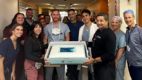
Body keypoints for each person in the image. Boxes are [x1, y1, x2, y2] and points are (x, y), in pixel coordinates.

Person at [84, 13, 116, 80]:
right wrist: (85, 43)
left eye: (101, 21)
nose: (98, 23)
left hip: (106, 67)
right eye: (97, 20)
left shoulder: (109, 34)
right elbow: (95, 43)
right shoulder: (98, 30)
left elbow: (110, 55)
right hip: (98, 65)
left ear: (106, 21)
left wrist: (94, 60)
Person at [43, 9, 70, 80]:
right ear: (51, 15)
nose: (55, 16)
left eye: (57, 14)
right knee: (48, 74)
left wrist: (66, 50)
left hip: (61, 52)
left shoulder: (65, 26)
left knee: (61, 73)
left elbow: (67, 38)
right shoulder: (47, 27)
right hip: (50, 52)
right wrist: (46, 51)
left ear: (59, 16)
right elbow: (45, 39)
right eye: (54, 14)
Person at [3, 13, 27, 80]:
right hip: (9, 56)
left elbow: (23, 41)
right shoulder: (8, 29)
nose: (21, 19)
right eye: (19, 17)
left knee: (19, 72)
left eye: (22, 18)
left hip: (20, 53)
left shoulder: (24, 30)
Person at [78, 9, 98, 80]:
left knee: (94, 72)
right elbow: (79, 42)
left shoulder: (96, 27)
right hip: (84, 53)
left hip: (93, 53)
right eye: (83, 16)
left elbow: (97, 43)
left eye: (86, 15)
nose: (85, 17)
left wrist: (86, 42)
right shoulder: (81, 28)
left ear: (90, 16)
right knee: (83, 72)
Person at [124, 10, 142, 80]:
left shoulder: (140, 31)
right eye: (125, 18)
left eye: (129, 17)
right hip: (130, 64)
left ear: (134, 17)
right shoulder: (127, 31)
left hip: (139, 65)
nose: (127, 19)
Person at [66, 9, 84, 80]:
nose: (71, 15)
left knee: (81, 66)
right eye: (69, 14)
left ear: (75, 14)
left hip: (80, 47)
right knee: (72, 67)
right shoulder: (66, 25)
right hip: (71, 48)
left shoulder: (81, 23)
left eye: (72, 14)